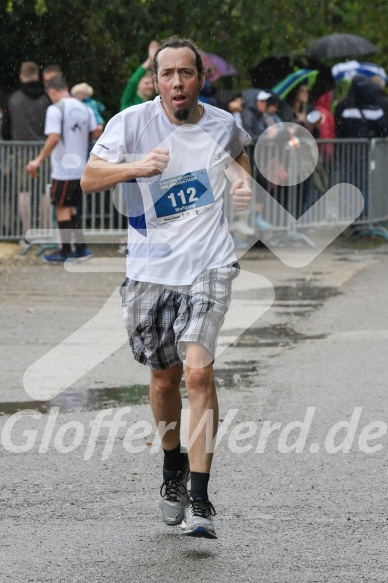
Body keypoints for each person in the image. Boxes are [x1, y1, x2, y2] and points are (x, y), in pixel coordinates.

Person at [81, 36, 252, 539]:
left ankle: (200, 497)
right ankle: (171, 466)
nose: (177, 82)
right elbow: (90, 177)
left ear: (201, 78)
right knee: (163, 379)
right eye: (167, 74)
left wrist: (242, 183)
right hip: (151, 270)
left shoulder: (223, 124)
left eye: (187, 73)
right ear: (154, 80)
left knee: (198, 375)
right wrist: (137, 167)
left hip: (209, 266)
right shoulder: (131, 122)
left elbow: (241, 153)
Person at [26, 74, 98, 263]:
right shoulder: (85, 108)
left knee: (61, 208)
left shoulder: (55, 109)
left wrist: (38, 160)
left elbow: (54, 137)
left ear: (51, 91)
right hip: (80, 168)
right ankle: (81, 249)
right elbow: (96, 131)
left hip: (64, 169)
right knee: (71, 209)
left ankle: (66, 252)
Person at [1, 61, 51, 242]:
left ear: (21, 76)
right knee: (45, 190)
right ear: (37, 76)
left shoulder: (12, 99)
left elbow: (5, 130)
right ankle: (46, 232)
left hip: (20, 151)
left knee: (24, 192)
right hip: (44, 151)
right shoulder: (47, 98)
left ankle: (27, 233)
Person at [120, 40, 159, 110]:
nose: (151, 86)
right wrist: (150, 60)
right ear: (138, 84)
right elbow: (133, 81)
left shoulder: (154, 104)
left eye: (152, 83)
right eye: (146, 83)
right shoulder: (129, 100)